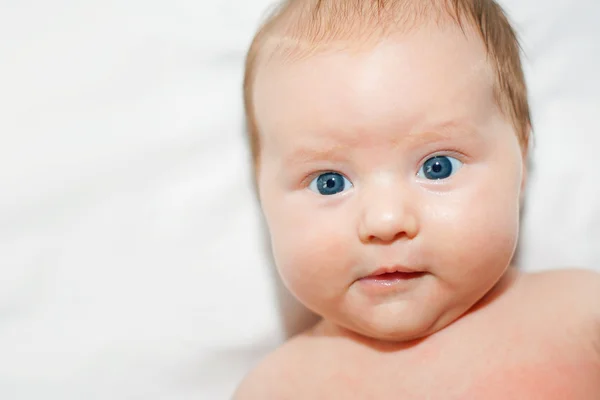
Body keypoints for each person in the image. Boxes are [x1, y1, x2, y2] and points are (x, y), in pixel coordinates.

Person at [235, 0, 600, 397]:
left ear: (522, 159)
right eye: (329, 182)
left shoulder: (582, 316)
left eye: (437, 167)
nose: (386, 221)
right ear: (261, 193)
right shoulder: (276, 387)